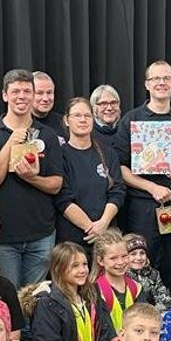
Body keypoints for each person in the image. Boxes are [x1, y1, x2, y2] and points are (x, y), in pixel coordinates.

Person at [113, 59, 171, 302]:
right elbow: (121, 168)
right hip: (143, 206)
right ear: (147, 84)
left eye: (166, 78)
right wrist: (151, 187)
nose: (161, 83)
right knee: (141, 264)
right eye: (156, 79)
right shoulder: (132, 120)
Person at [0, 68, 63, 287]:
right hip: (3, 237)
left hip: (41, 236)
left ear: (33, 95)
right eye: (15, 91)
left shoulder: (48, 135)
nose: (21, 96)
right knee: (8, 298)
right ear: (5, 95)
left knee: (33, 299)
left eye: (27, 91)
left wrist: (32, 178)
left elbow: (56, 185)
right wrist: (11, 142)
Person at [23, 242, 115, 341]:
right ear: (59, 269)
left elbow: (106, 336)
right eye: (75, 266)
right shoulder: (48, 303)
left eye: (85, 264)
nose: (82, 270)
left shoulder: (93, 295)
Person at [55, 97, 125, 247]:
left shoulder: (108, 153)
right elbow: (62, 199)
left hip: (107, 237)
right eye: (77, 116)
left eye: (87, 116)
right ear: (67, 120)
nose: (83, 120)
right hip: (73, 238)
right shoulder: (60, 155)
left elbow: (117, 191)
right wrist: (91, 228)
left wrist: (103, 224)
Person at [92, 229, 148, 332]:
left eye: (124, 256)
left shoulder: (136, 287)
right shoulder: (95, 291)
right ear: (100, 260)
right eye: (113, 258)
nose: (121, 262)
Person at [125, 233, 171, 312]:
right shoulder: (121, 277)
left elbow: (164, 299)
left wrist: (155, 315)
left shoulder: (153, 274)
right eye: (133, 254)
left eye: (142, 253)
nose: (139, 258)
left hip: (152, 315)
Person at [31, 70, 65, 135]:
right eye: (39, 93)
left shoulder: (63, 124)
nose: (45, 98)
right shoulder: (21, 123)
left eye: (49, 93)